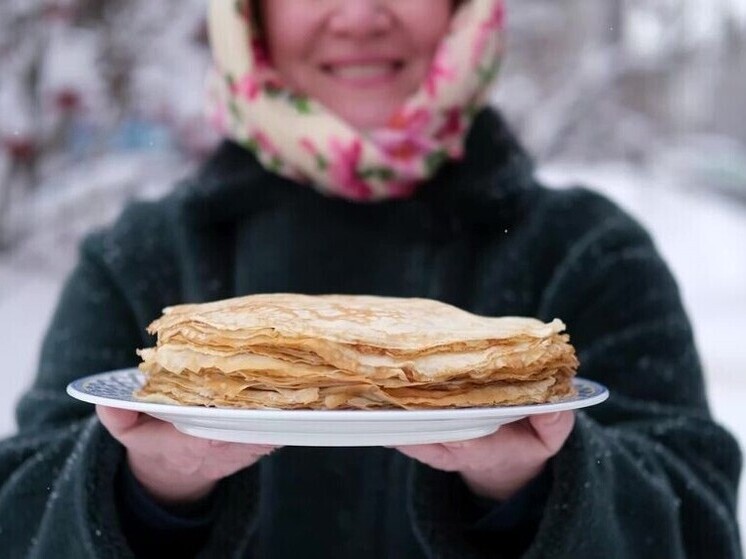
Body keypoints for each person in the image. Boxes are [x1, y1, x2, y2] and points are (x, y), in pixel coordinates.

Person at [0, 0, 742, 557]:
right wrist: (144, 488)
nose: (357, 16)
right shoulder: (140, 261)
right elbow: (20, 517)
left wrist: (540, 489)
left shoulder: (590, 253)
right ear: (249, 16)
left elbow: (699, 523)